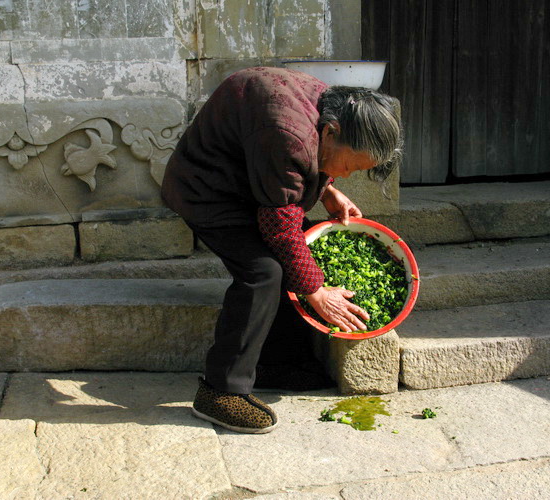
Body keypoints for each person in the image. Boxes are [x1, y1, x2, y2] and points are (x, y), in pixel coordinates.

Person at [161, 66, 402, 434]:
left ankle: (277, 363)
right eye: (351, 166)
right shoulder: (288, 133)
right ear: (332, 131)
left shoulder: (328, 105)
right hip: (207, 190)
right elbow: (280, 225)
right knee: (264, 272)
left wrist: (328, 190)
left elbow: (293, 169)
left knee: (299, 256)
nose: (349, 175)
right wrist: (316, 291)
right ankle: (220, 392)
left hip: (252, 184)